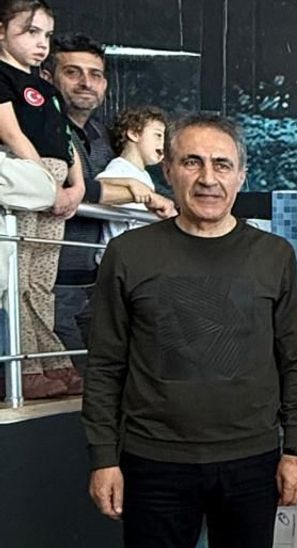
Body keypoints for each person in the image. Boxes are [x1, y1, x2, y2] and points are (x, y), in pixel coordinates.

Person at [82, 113, 297, 548]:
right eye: (192, 162)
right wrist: (104, 457)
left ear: (241, 175)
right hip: (154, 462)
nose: (208, 178)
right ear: (169, 170)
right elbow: (105, 366)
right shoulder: (130, 255)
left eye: (221, 164)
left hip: (251, 462)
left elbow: (295, 360)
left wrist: (296, 448)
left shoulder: (272, 256)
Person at [46, 33, 170, 368]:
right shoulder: (41, 128)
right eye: (72, 72)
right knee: (61, 375)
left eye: (95, 74)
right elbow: (56, 188)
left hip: (95, 279)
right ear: (48, 77)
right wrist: (136, 191)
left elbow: (109, 182)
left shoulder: (103, 137)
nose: (86, 82)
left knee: (102, 373)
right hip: (49, 275)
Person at [0, 0, 85, 398]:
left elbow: (67, 141)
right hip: (26, 180)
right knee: (16, 280)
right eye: (31, 32)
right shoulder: (2, 75)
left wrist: (77, 186)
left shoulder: (48, 88)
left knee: (41, 281)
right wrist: (44, 183)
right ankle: (25, 366)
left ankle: (53, 360)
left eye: (47, 35)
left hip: (57, 181)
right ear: (2, 31)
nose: (41, 43)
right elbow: (12, 133)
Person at [95, 106, 174, 248]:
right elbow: (98, 184)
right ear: (133, 133)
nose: (163, 144)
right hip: (118, 251)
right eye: (158, 135)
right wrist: (130, 182)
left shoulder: (144, 174)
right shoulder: (120, 166)